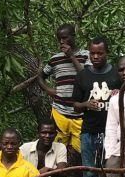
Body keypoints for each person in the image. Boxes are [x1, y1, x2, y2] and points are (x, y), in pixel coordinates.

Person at [71, 36, 122, 177]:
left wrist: (120, 93)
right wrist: (85, 104)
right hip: (89, 132)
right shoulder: (83, 75)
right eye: (92, 53)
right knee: (89, 175)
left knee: (112, 176)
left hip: (114, 133)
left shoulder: (116, 74)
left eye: (100, 53)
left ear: (106, 52)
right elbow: (74, 104)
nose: (96, 56)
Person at [38, 23, 89, 155]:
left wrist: (71, 56)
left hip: (81, 115)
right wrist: (48, 90)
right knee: (55, 151)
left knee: (81, 152)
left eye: (65, 38)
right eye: (59, 39)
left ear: (73, 36)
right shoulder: (55, 59)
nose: (61, 41)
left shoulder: (86, 55)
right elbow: (40, 77)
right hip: (59, 112)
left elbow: (87, 78)